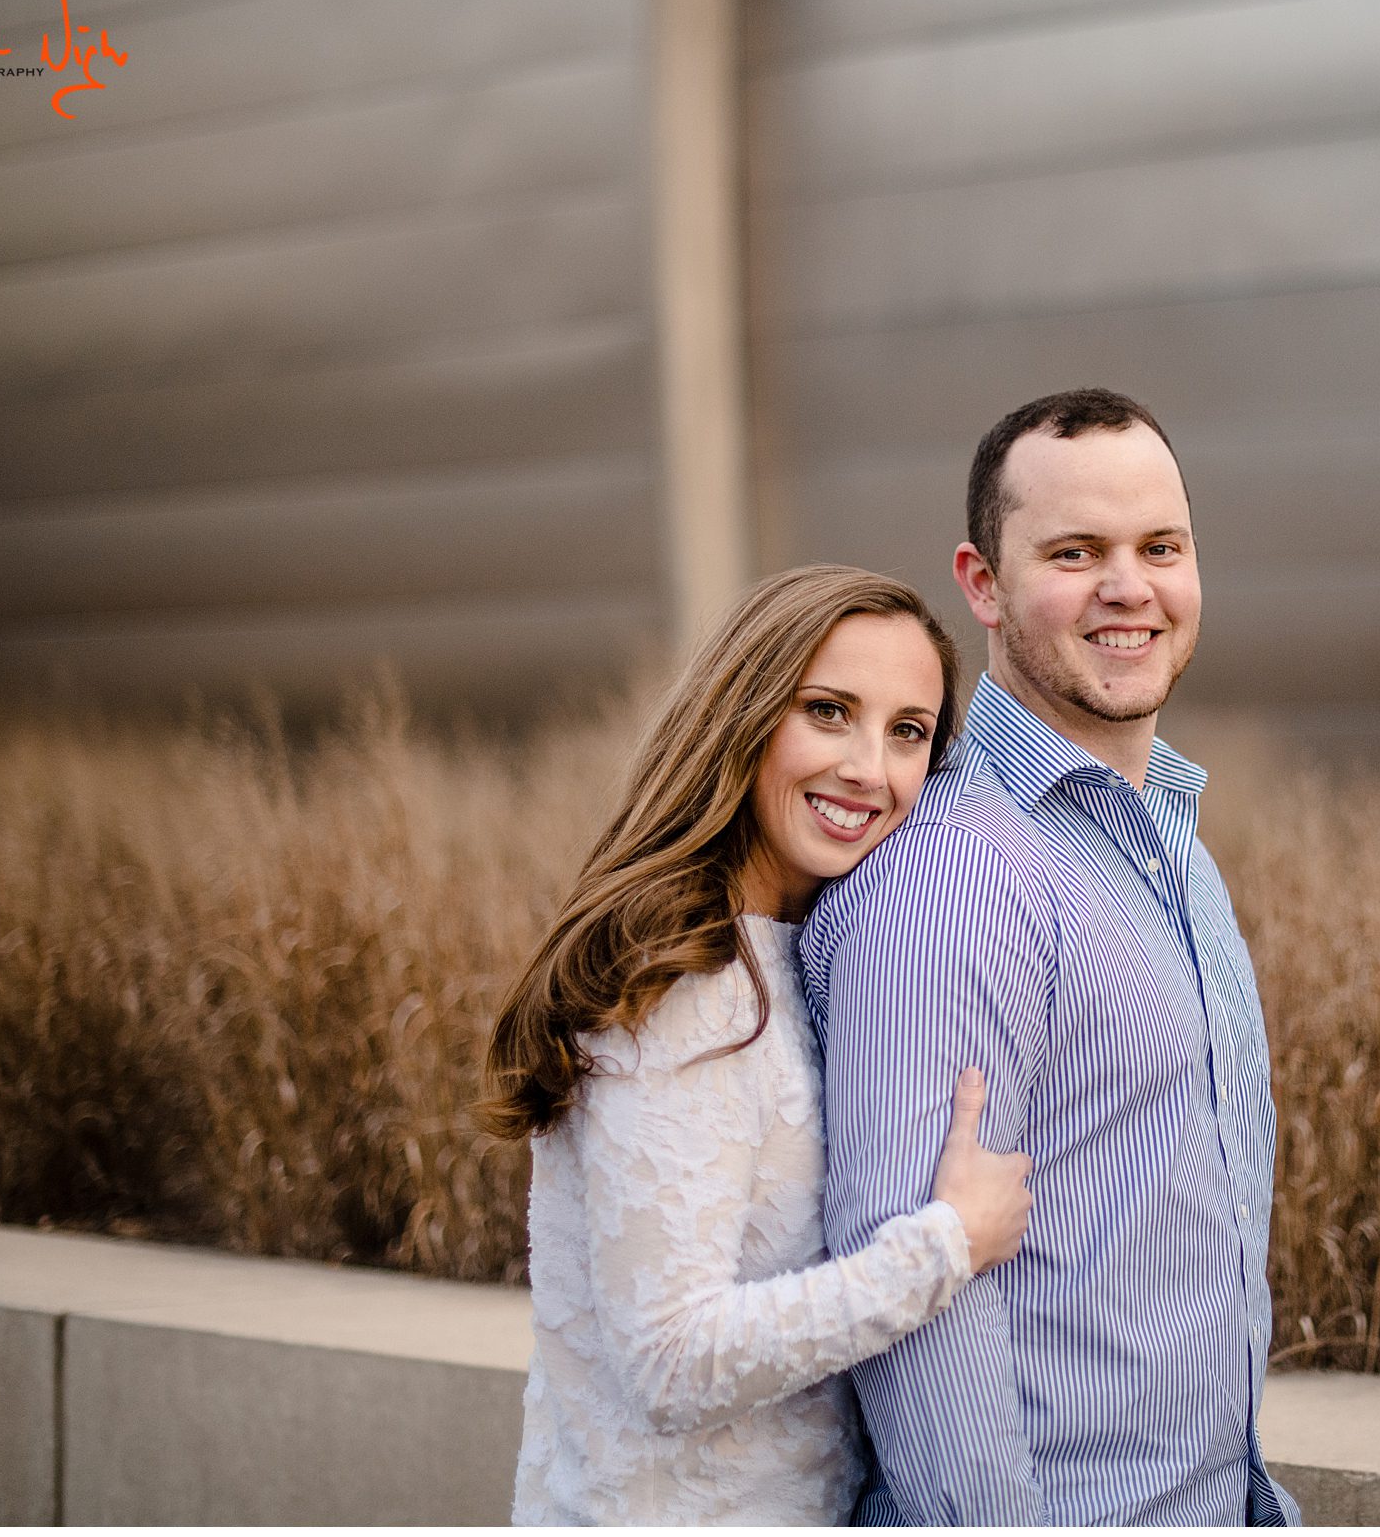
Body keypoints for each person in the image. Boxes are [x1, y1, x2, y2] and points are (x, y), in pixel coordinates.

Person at [801, 389, 1301, 1525]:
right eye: (1075, 552)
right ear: (981, 582)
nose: (1129, 586)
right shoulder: (956, 878)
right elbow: (917, 1303)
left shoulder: (1166, 837)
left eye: (1159, 547)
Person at [482, 564, 1035, 1526]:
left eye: (909, 731)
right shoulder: (682, 983)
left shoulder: (797, 950)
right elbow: (671, 1358)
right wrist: (946, 1246)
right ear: (746, 717)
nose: (871, 767)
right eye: (829, 711)